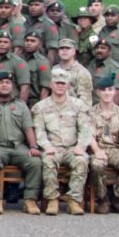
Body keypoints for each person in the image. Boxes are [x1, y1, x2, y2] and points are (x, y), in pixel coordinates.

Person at [0, 71, 43, 215]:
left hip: (19, 147)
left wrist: (33, 146)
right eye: (1, 83)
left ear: (12, 86)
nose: (5, 85)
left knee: (35, 162)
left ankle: (30, 200)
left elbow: (28, 128)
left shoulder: (21, 105)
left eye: (8, 83)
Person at [32, 67, 92, 216]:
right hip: (53, 147)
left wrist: (81, 146)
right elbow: (39, 131)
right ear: (51, 84)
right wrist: (47, 146)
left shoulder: (78, 105)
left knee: (81, 161)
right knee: (48, 160)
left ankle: (74, 200)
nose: (60, 86)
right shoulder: (40, 107)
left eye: (63, 83)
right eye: (57, 83)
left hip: (72, 148)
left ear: (68, 85)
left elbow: (85, 129)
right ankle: (52, 199)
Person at [88, 74, 119, 214]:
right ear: (98, 92)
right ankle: (102, 199)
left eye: (110, 89)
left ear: (114, 91)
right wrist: (97, 151)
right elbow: (89, 136)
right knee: (97, 165)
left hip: (116, 149)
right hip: (99, 148)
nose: (107, 93)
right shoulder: (91, 113)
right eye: (103, 90)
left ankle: (118, 199)